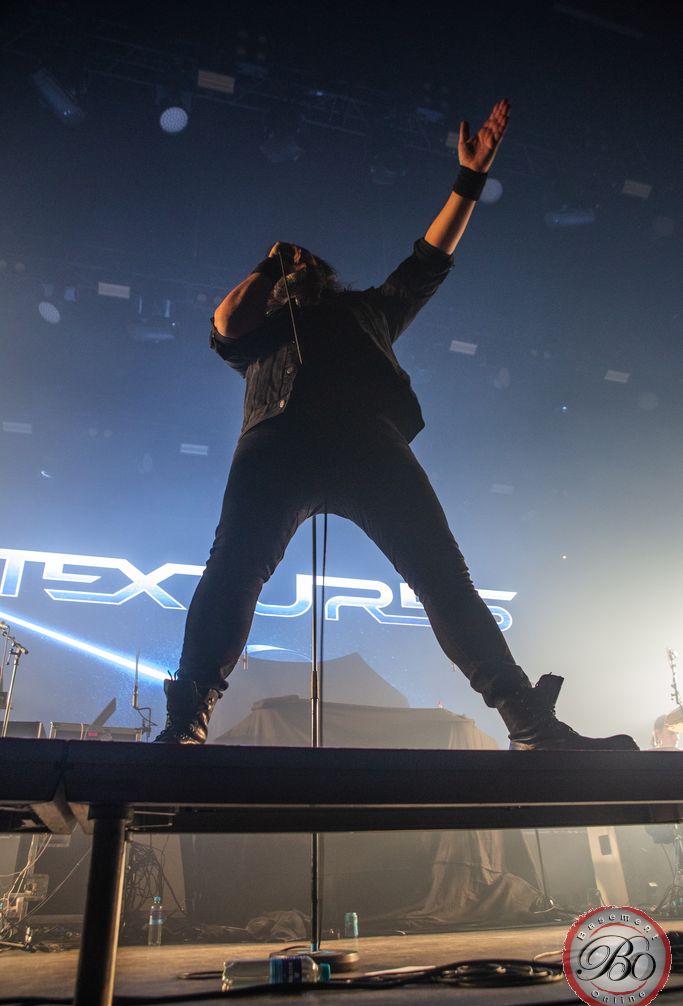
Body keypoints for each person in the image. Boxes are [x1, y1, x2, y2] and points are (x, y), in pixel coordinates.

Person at [155, 99, 637, 751]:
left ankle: (530, 724)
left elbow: (428, 260)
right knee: (234, 570)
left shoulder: (368, 311)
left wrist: (468, 179)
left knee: (443, 578)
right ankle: (187, 719)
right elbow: (224, 323)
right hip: (279, 440)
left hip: (369, 443)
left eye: (305, 266)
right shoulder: (266, 327)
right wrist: (270, 267)